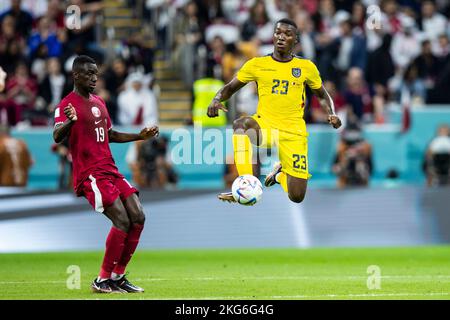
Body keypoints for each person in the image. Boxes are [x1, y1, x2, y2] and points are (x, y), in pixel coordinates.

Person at [53, 55, 159, 294]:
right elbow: (57, 136)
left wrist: (139, 136)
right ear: (76, 75)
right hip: (90, 173)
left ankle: (118, 276)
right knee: (121, 220)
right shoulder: (66, 105)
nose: (94, 78)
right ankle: (102, 280)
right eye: (89, 73)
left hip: (110, 169)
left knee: (138, 215)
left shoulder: (99, 102)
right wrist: (70, 122)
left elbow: (110, 134)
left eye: (96, 74)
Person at [207, 18, 342, 204]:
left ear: (295, 40)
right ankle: (246, 184)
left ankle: (278, 176)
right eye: (278, 32)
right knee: (241, 125)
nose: (281, 37)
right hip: (266, 125)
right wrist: (215, 99)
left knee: (297, 196)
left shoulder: (306, 67)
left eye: (287, 34)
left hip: (294, 132)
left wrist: (332, 113)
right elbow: (230, 88)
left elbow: (321, 94)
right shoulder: (257, 64)